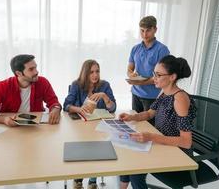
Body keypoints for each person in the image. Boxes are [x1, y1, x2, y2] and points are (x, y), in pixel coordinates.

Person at [119, 55, 196, 189]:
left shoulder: (180, 99)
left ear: (172, 77)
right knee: (129, 158)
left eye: (158, 75)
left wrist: (151, 137)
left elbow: (186, 142)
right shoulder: (164, 92)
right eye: (154, 73)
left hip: (177, 152)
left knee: (135, 170)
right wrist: (131, 117)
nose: (154, 78)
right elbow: (149, 113)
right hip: (162, 143)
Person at [63, 59, 116, 189]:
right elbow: (66, 105)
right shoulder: (76, 85)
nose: (95, 75)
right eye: (91, 72)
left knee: (97, 150)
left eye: (97, 71)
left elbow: (112, 109)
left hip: (99, 126)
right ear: (85, 73)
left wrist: (104, 96)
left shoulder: (105, 86)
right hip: (81, 126)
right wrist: (78, 109)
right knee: (82, 150)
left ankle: (93, 180)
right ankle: (78, 177)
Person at [0, 54, 61, 126]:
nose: (36, 72)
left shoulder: (42, 82)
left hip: (35, 127)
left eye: (35, 67)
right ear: (18, 73)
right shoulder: (2, 86)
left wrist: (56, 109)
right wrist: (4, 119)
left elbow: (53, 102)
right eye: (31, 69)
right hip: (10, 128)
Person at [126, 16, 170, 117]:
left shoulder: (162, 50)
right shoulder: (135, 49)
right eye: (142, 31)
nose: (144, 34)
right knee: (135, 124)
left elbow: (162, 77)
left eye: (148, 31)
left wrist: (140, 82)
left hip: (152, 97)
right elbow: (129, 69)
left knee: (149, 127)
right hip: (136, 93)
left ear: (155, 29)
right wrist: (131, 75)